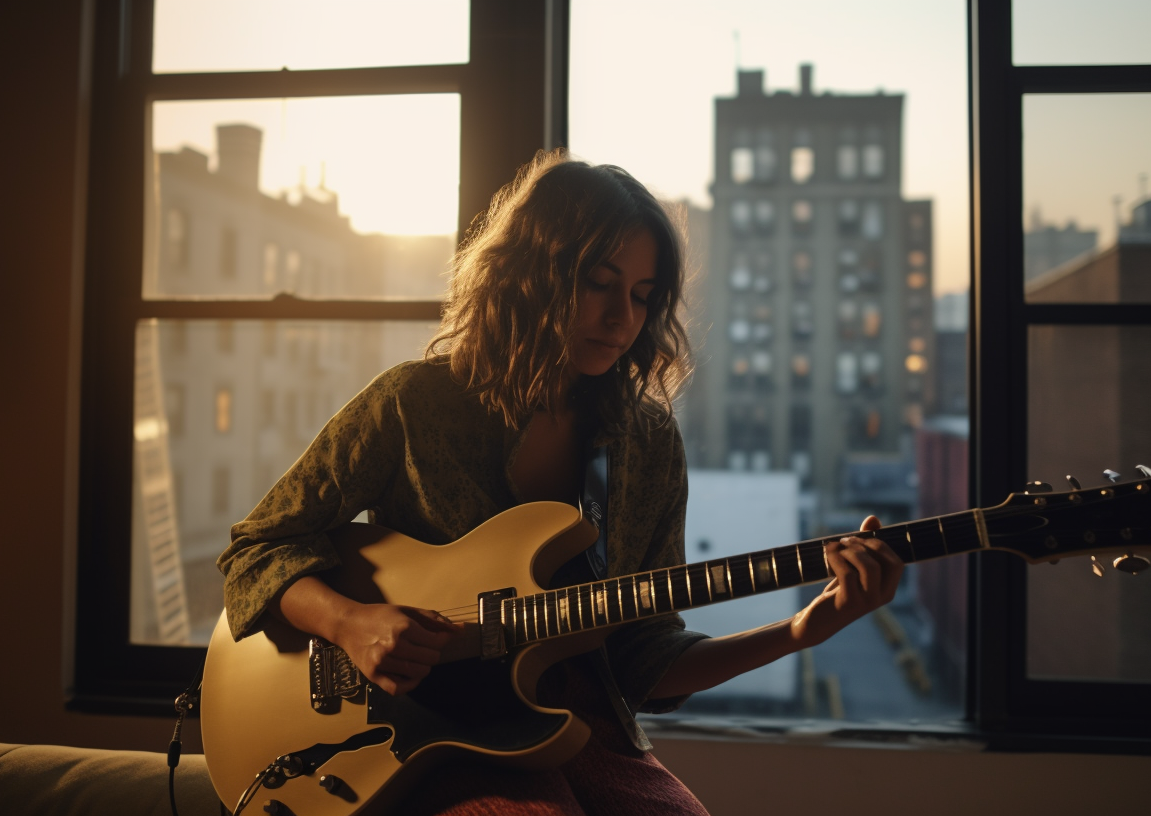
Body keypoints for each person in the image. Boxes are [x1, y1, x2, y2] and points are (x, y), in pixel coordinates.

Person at [217, 151, 903, 815]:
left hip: (581, 730)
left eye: (641, 296)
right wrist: (351, 622)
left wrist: (803, 629)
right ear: (529, 275)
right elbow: (254, 549)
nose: (622, 318)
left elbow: (646, 659)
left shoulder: (649, 444)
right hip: (421, 733)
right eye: (598, 283)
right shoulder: (410, 404)